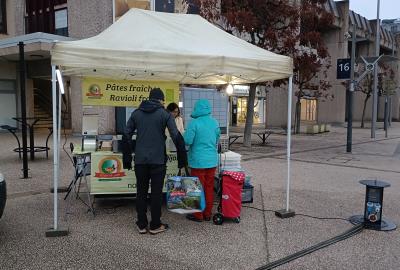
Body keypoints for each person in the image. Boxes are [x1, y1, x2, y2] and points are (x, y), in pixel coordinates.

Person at [122, 88, 186, 235]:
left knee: (141, 191)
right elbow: (175, 135)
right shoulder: (164, 114)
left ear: (149, 98)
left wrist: (127, 155)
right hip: (158, 160)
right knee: (156, 193)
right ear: (161, 100)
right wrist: (182, 158)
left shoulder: (136, 113)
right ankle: (155, 224)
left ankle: (141, 224)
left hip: (140, 160)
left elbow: (126, 134)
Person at [183, 99, 220, 222]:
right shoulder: (214, 122)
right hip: (212, 160)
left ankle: (198, 215)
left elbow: (188, 141)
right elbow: (216, 139)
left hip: (198, 161)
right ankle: (207, 213)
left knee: (197, 188)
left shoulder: (194, 123)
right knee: (209, 187)